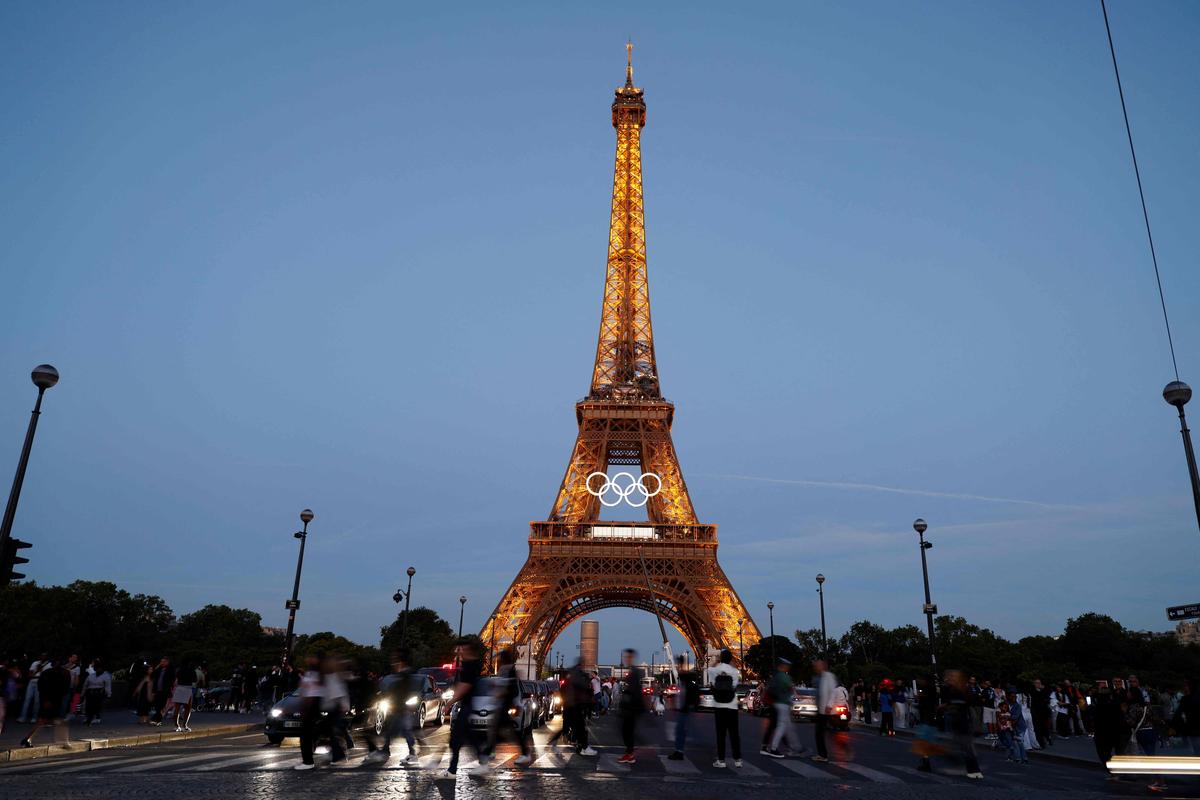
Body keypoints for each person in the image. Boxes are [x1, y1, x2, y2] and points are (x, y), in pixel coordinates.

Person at [442, 639, 489, 779]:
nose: (458, 651)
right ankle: (483, 761)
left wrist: (450, 702)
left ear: (467, 650)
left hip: (467, 706)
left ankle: (452, 770)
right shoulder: (470, 664)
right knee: (469, 738)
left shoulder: (469, 665)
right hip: (468, 705)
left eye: (461, 649)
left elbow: (465, 686)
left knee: (456, 739)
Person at [365, 650, 418, 765]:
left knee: (399, 731)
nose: (392, 664)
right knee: (396, 731)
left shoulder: (404, 675)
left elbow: (402, 692)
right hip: (399, 708)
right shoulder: (400, 675)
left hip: (401, 708)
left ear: (400, 662)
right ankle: (388, 751)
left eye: (395, 661)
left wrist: (389, 696)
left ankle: (407, 753)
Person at [490, 648, 532, 766]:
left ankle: (488, 754)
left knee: (501, 730)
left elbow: (510, 689)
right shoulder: (506, 669)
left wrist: (500, 694)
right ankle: (489, 753)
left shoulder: (509, 670)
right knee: (499, 730)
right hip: (504, 705)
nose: (498, 660)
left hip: (506, 705)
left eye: (500, 658)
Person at [549, 659, 597, 756]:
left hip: (569, 704)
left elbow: (563, 689)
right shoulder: (578, 674)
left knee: (568, 727)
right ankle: (584, 747)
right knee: (580, 727)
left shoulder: (570, 673)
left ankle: (554, 742)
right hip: (575, 705)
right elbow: (582, 689)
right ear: (581, 664)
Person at [942, 670, 983, 779]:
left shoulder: (963, 689)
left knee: (966, 747)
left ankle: (974, 770)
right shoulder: (951, 690)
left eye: (952, 676)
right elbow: (951, 703)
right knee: (961, 746)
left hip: (965, 722)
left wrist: (951, 706)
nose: (950, 678)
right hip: (957, 722)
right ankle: (972, 769)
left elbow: (967, 703)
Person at [20, 658, 70, 748]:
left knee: (46, 720)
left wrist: (44, 700)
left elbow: (41, 687)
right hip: (54, 700)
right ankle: (64, 742)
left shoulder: (47, 673)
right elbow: (65, 688)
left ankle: (28, 738)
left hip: (49, 699)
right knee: (55, 720)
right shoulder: (64, 673)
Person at [709, 649, 742, 768]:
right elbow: (734, 686)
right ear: (731, 659)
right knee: (734, 733)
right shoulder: (734, 671)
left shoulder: (714, 670)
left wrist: (716, 661)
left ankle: (721, 760)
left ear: (721, 658)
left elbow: (710, 670)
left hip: (719, 706)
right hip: (732, 706)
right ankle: (738, 759)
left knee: (720, 734)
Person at [294, 655, 324, 771]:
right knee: (311, 733)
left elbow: (308, 692)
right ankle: (309, 759)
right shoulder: (316, 675)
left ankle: (307, 761)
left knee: (305, 735)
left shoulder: (312, 675)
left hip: (310, 706)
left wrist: (304, 708)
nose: (308, 659)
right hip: (313, 706)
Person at [763, 657, 797, 758]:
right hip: (783, 704)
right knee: (782, 727)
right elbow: (791, 688)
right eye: (787, 666)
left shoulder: (776, 676)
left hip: (776, 703)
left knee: (787, 726)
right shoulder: (784, 677)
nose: (788, 668)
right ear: (784, 666)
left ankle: (794, 747)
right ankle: (773, 748)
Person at [617, 649, 645, 764]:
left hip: (631, 708)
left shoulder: (634, 672)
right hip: (632, 708)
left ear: (632, 657)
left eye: (628, 657)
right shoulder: (634, 671)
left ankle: (630, 754)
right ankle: (630, 753)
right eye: (625, 657)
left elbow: (632, 692)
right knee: (627, 731)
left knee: (626, 731)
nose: (626, 659)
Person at [668, 655, 697, 760]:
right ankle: (679, 750)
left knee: (680, 731)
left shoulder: (686, 678)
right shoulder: (687, 679)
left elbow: (682, 674)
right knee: (681, 731)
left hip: (684, 709)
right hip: (684, 708)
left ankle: (679, 751)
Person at [811, 658, 838, 763]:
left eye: (817, 666)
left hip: (826, 710)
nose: (816, 668)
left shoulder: (829, 677)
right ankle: (823, 754)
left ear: (823, 666)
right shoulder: (820, 677)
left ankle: (823, 755)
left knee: (820, 733)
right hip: (821, 709)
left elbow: (833, 692)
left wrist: (829, 705)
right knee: (825, 732)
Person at [1170, 678, 1200, 755]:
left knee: (1194, 750)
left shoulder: (1186, 699)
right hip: (1194, 728)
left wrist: (1173, 726)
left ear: (1190, 687)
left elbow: (1178, 713)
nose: (1184, 688)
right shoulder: (1194, 697)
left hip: (1192, 729)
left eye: (1185, 686)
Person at [17, 654, 49, 724]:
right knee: (27, 699)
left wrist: (40, 671)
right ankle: (22, 717)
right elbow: (30, 675)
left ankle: (34, 717)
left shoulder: (48, 665)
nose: (43, 657)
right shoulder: (35, 663)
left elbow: (45, 677)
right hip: (31, 683)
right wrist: (37, 671)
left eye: (44, 656)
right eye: (42, 655)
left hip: (40, 684)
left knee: (37, 701)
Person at [82, 659, 112, 725]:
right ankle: (88, 717)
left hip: (98, 692)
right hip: (90, 692)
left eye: (97, 668)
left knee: (96, 705)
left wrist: (109, 695)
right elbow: (85, 685)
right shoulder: (91, 676)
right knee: (88, 705)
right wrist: (83, 693)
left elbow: (108, 686)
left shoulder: (106, 676)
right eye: (95, 668)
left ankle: (97, 718)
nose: (96, 669)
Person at [1004, 689, 1029, 764]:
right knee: (1015, 742)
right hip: (1014, 727)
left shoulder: (1017, 706)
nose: (1014, 698)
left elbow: (1015, 717)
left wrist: (1007, 717)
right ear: (1009, 697)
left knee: (1020, 742)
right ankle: (1018, 758)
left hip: (1020, 727)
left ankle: (1024, 758)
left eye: (1015, 697)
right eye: (1012, 697)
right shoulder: (1008, 705)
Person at [172, 659, 195, 732]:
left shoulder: (179, 670)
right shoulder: (191, 670)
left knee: (177, 708)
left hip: (179, 688)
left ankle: (176, 725)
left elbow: (176, 679)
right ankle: (184, 725)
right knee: (187, 708)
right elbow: (195, 680)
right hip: (188, 688)